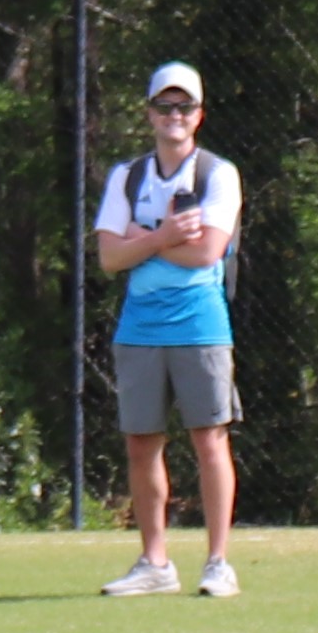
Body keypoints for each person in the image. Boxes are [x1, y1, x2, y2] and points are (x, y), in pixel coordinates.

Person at [92, 59, 243, 596]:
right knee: (141, 442)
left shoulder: (217, 174)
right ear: (150, 113)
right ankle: (155, 563)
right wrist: (164, 236)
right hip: (140, 328)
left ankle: (218, 562)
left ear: (199, 115)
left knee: (209, 439)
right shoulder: (126, 177)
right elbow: (109, 257)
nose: (174, 116)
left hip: (202, 326)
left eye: (185, 107)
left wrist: (142, 237)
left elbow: (208, 250)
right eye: (165, 106)